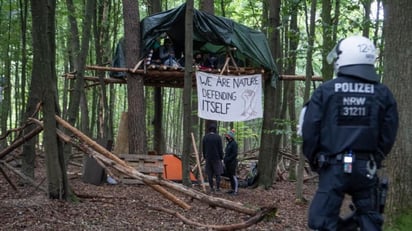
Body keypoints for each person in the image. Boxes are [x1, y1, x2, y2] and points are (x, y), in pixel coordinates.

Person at [302, 35, 398, 231]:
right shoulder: (382, 93)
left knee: (320, 221)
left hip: (333, 167)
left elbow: (310, 129)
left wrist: (315, 159)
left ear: (345, 57)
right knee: (370, 219)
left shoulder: (325, 91)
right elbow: (389, 131)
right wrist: (376, 156)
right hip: (367, 168)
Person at [202, 123, 224, 193]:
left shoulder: (205, 137)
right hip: (216, 158)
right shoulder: (218, 137)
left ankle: (211, 188)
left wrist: (205, 156)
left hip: (208, 158)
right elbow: (220, 148)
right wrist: (221, 157)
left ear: (209, 129)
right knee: (218, 174)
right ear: (215, 130)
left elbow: (203, 148)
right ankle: (217, 188)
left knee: (210, 174)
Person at [224, 129, 238, 195]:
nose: (227, 136)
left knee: (233, 176)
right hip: (228, 163)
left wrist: (228, 159)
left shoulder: (234, 144)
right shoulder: (228, 143)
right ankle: (232, 189)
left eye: (228, 135)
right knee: (230, 176)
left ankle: (235, 191)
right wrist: (225, 159)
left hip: (232, 162)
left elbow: (234, 154)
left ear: (230, 136)